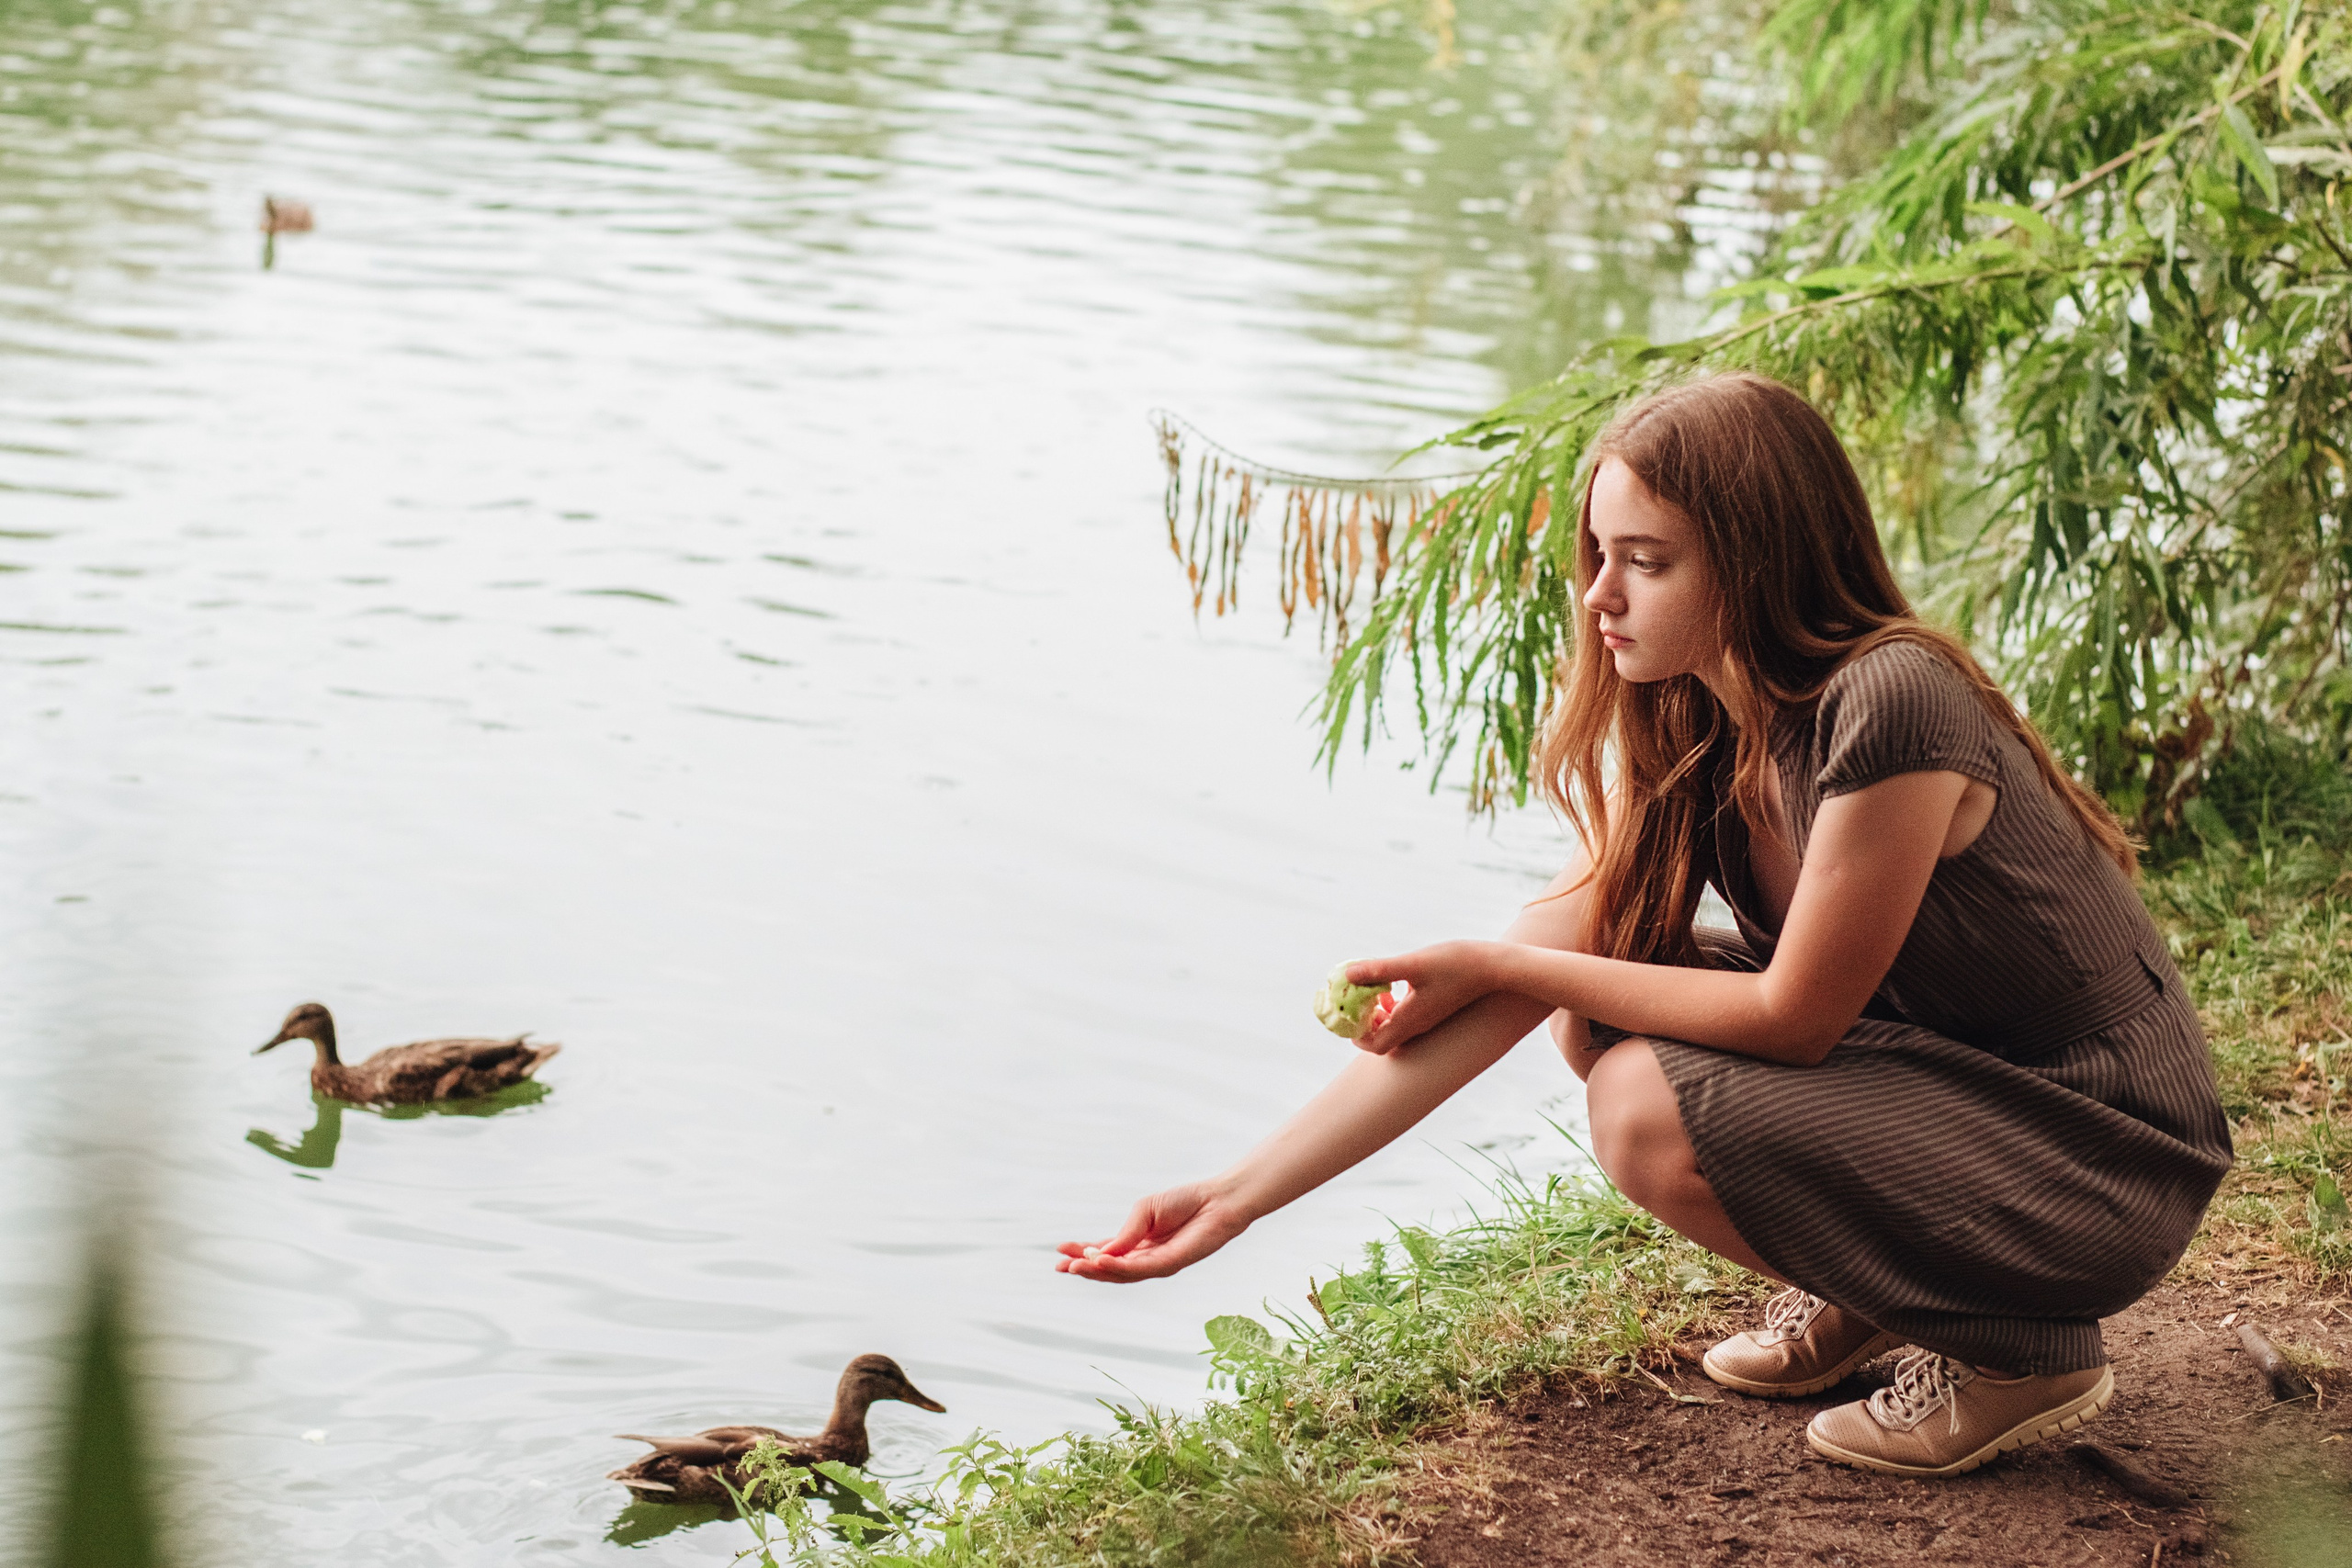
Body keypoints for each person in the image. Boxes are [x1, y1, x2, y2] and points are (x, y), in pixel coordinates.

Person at [1057, 372, 2232, 1478]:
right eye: (1597, 556)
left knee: (1639, 1102)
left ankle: (2018, 1351)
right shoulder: (1696, 721)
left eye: (1645, 562)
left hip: (2098, 1163)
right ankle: (1882, 1284)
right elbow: (1528, 977)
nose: (1597, 596)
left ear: (1755, 564)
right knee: (1586, 1001)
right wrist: (1231, 1198)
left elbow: (1794, 1019)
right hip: (1960, 1113)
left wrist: (1501, 960)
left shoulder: (1892, 698)